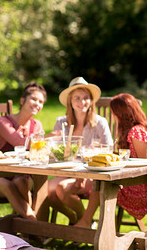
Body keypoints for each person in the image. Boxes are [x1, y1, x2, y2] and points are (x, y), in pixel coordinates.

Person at [75, 93, 147, 228]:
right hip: (139, 184)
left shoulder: (136, 132)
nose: (113, 116)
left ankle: (92, 224)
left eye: (113, 113)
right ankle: (91, 223)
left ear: (121, 114)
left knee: (101, 185)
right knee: (100, 182)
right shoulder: (133, 131)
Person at [37, 77, 113, 224]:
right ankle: (77, 219)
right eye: (77, 98)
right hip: (66, 171)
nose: (81, 102)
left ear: (91, 101)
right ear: (70, 101)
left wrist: (85, 172)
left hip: (93, 174)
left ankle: (84, 221)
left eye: (85, 98)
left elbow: (109, 151)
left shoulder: (100, 123)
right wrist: (50, 138)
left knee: (61, 188)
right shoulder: (62, 123)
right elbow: (52, 152)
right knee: (47, 190)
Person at [0, 82, 47, 220]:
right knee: (7, 184)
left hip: (23, 174)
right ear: (22, 101)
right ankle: (34, 228)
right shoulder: (3, 121)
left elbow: (38, 151)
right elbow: (19, 142)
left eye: (41, 101)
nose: (37, 103)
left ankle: (27, 231)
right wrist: (48, 137)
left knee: (21, 181)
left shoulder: (36, 125)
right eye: (34, 99)